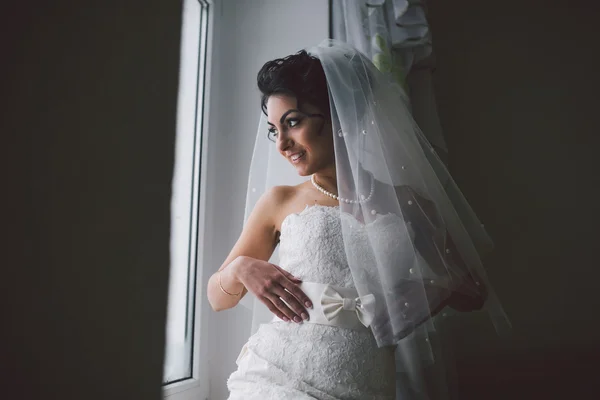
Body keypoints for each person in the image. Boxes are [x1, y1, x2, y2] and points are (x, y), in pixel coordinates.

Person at [207, 40, 509, 399]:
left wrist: (432, 290)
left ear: (340, 114)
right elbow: (217, 298)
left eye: (293, 122)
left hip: (365, 385)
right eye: (275, 129)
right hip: (277, 379)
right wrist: (241, 267)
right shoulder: (281, 201)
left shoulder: (408, 203)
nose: (282, 144)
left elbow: (473, 289)